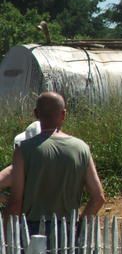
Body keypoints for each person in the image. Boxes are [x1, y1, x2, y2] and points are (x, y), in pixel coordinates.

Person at [7, 92, 105, 226]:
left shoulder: (23, 150)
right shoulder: (82, 148)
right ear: (63, 114)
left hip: (33, 230)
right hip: (67, 230)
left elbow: (15, 201)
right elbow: (98, 197)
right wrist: (79, 226)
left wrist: (8, 237)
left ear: (36, 113)